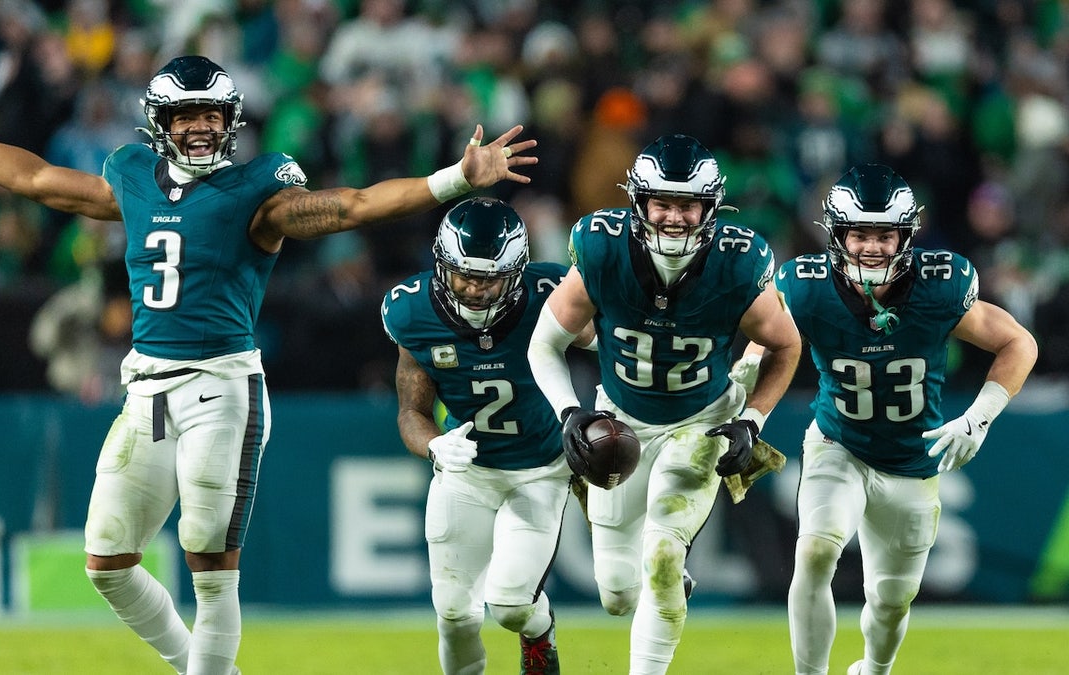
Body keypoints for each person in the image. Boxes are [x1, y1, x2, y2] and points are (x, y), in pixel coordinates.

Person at [0, 55, 536, 675]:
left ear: (231, 119)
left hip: (221, 387)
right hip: (145, 388)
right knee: (107, 562)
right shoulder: (132, 175)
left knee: (209, 559)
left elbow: (351, 206)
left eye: (211, 113)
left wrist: (454, 177)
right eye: (186, 114)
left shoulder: (256, 188)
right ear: (159, 121)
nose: (201, 126)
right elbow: (37, 179)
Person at [527, 134, 802, 673]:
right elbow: (546, 343)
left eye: (687, 205)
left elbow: (786, 343)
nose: (674, 217)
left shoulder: (739, 262)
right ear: (639, 203)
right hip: (620, 420)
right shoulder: (603, 249)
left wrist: (753, 417)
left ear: (709, 208)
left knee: (661, 551)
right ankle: (671, 580)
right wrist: (569, 410)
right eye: (663, 203)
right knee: (617, 594)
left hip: (701, 422)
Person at [749, 163, 1038, 675]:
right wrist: (744, 395)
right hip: (838, 444)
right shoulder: (806, 284)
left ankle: (875, 670)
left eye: (885, 235)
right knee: (815, 552)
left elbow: (1017, 341)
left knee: (890, 601)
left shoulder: (940, 285)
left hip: (911, 461)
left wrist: (980, 417)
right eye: (860, 233)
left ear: (906, 236)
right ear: (838, 234)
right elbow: (765, 341)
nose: (872, 247)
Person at [381, 197, 595, 675]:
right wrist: (435, 444)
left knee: (511, 604)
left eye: (488, 278)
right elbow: (411, 412)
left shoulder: (549, 292)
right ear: (442, 266)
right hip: (468, 475)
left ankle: (539, 633)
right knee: (454, 613)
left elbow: (616, 343)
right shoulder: (413, 312)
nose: (475, 289)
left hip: (540, 469)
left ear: (515, 272)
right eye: (464, 275)